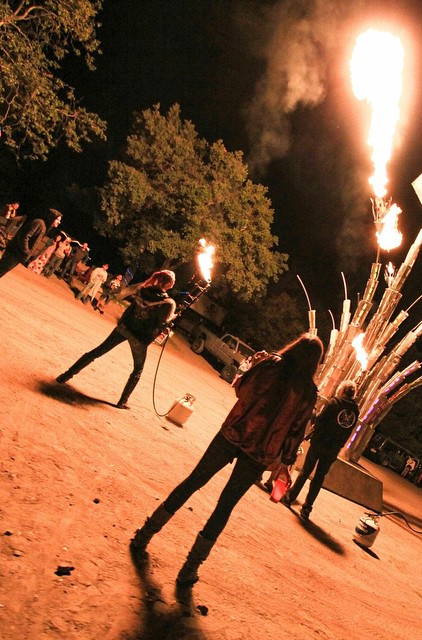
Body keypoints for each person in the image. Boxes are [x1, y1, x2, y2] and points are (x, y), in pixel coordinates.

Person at [129, 333, 323, 586]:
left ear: (294, 347)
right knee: (225, 505)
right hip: (259, 453)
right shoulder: (308, 392)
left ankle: (145, 534)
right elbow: (296, 432)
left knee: (193, 481)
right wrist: (284, 462)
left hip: (232, 433)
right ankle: (190, 568)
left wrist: (254, 369)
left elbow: (241, 390)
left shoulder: (270, 364)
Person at [56, 270, 177, 409]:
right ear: (168, 283)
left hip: (124, 328)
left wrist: (121, 324)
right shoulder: (168, 303)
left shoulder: (142, 290)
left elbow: (130, 310)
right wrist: (171, 320)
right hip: (140, 338)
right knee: (138, 369)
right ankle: (122, 401)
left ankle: (65, 376)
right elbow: (161, 324)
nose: (173, 284)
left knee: (97, 352)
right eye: (173, 282)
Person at [281, 379, 359, 520]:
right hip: (333, 449)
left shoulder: (334, 403)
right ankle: (307, 508)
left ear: (342, 390)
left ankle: (289, 498)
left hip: (319, 444)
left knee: (305, 472)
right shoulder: (355, 411)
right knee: (319, 478)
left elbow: (320, 421)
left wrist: (314, 421)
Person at [0, 209, 62, 279]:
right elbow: (24, 236)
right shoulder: (39, 223)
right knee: (1, 270)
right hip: (14, 252)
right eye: (58, 220)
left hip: (18, 254)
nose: (59, 222)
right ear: (52, 218)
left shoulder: (44, 226)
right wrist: (26, 252)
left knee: (2, 271)